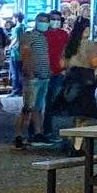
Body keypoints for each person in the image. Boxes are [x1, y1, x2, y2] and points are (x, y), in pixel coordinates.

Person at [13, 17, 49, 150]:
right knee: (27, 107)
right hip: (33, 77)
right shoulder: (28, 36)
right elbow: (25, 54)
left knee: (38, 108)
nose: (45, 23)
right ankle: (18, 135)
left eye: (47, 21)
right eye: (42, 20)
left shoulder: (43, 37)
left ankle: (38, 133)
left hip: (44, 76)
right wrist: (29, 71)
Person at [58, 17, 97, 126]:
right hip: (85, 80)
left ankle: (74, 137)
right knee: (86, 114)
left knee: (75, 112)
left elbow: (61, 64)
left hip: (71, 79)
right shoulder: (90, 44)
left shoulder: (69, 45)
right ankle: (80, 140)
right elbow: (94, 63)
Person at [40, 11, 70, 141]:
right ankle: (37, 131)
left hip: (59, 73)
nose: (55, 21)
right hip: (45, 72)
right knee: (39, 104)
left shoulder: (64, 34)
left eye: (58, 19)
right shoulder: (43, 34)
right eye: (53, 19)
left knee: (51, 103)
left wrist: (65, 68)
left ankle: (47, 130)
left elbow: (67, 52)